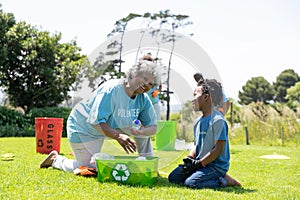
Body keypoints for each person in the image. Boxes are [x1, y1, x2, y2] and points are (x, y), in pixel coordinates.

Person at [40, 60, 161, 172]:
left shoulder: (143, 99)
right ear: (133, 74)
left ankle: (147, 165)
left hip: (110, 127)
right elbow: (96, 122)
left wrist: (141, 131)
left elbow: (153, 127)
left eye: (150, 83)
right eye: (144, 78)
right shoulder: (111, 90)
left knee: (142, 131)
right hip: (84, 127)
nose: (146, 85)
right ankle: (55, 160)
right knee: (89, 168)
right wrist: (118, 136)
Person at [168, 78, 241, 189]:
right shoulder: (198, 122)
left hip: (215, 166)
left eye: (195, 95)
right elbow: (196, 145)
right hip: (201, 163)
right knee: (174, 178)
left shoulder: (218, 121)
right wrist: (190, 159)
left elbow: (218, 149)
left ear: (206, 97)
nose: (192, 100)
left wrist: (199, 164)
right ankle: (205, 175)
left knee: (191, 183)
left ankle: (223, 180)